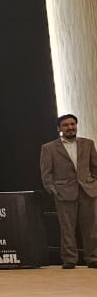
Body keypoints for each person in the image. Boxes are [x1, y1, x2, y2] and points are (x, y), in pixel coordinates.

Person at [40, 113, 97, 269]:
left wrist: (94, 184)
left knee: (91, 227)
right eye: (66, 125)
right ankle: (69, 259)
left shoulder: (88, 144)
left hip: (88, 191)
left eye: (73, 124)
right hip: (63, 192)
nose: (70, 127)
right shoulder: (49, 148)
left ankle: (93, 258)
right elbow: (46, 173)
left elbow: (94, 166)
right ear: (59, 129)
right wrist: (52, 189)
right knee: (67, 228)